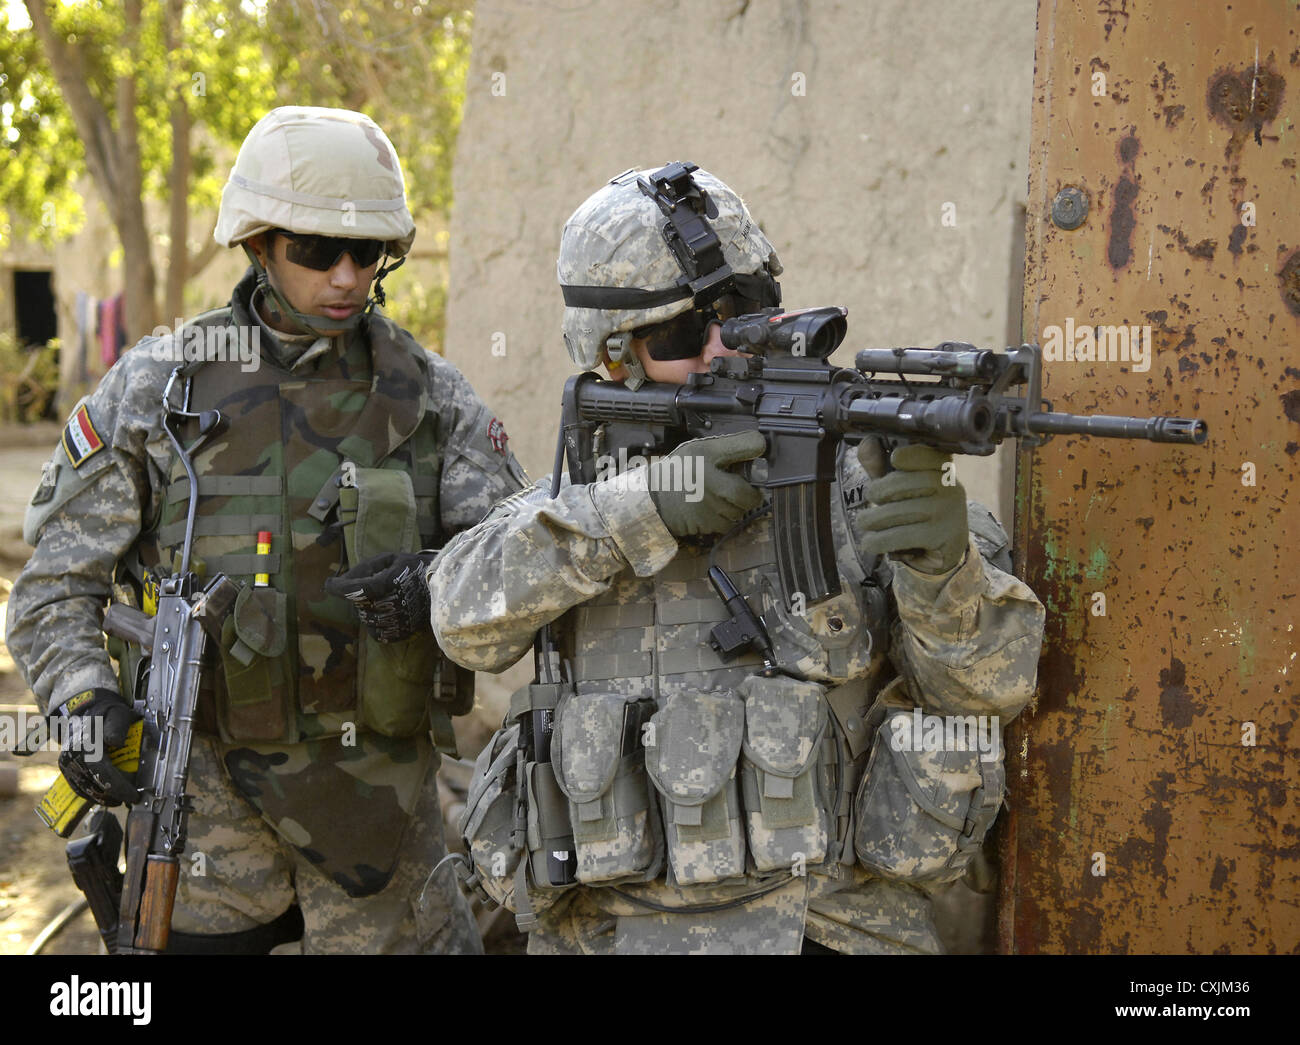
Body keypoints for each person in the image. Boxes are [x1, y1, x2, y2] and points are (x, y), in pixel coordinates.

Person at [427, 163, 1047, 954]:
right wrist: (640, 511)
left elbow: (993, 688)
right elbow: (461, 620)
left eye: (746, 313)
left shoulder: (858, 481)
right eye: (686, 334)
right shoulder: (578, 506)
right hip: (609, 935)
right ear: (612, 356)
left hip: (827, 930)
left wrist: (941, 569)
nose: (725, 346)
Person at [6, 106, 528, 954]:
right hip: (203, 816)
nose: (348, 277)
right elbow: (53, 587)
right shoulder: (161, 388)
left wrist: (438, 580)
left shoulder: (428, 394)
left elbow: (519, 564)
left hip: (381, 821)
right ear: (256, 243)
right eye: (318, 251)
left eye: (371, 254)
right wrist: (82, 699)